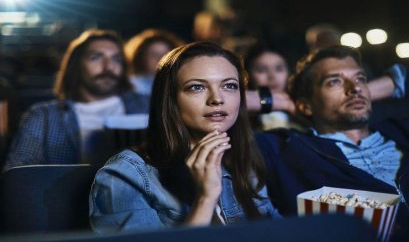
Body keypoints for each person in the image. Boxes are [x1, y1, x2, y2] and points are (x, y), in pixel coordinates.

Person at [89, 41, 281, 233]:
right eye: (197, 87)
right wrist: (205, 198)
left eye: (229, 85)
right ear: (170, 98)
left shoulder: (243, 157)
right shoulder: (126, 174)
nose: (217, 99)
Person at [255, 45, 409, 239]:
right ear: (306, 105)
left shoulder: (401, 131)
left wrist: (367, 91)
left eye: (360, 78)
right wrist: (280, 101)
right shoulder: (285, 148)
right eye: (334, 81)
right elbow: (215, 108)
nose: (355, 88)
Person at [3, 29, 150, 171]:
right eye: (96, 57)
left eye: (116, 59)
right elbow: (18, 173)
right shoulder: (44, 116)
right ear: (76, 65)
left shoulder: (150, 106)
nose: (108, 66)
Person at [243, 43, 305, 131]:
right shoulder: (239, 113)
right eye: (262, 70)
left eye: (279, 69)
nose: (272, 76)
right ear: (248, 74)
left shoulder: (303, 109)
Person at [124, 28, 184, 96]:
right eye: (154, 55)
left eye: (166, 54)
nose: (160, 59)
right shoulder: (131, 86)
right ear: (140, 58)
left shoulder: (181, 84)